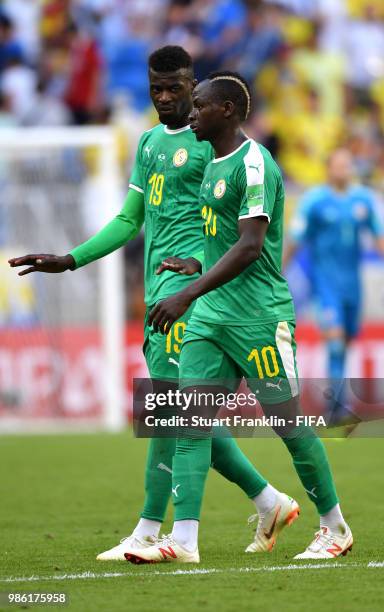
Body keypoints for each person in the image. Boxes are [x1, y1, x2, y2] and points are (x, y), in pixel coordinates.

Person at [9, 47, 298, 561]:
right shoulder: (146, 142)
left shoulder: (214, 140)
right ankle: (267, 500)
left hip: (190, 295)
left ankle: (151, 530)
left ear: (194, 84)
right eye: (156, 89)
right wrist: (70, 259)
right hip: (156, 291)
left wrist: (199, 271)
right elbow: (129, 220)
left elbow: (244, 220)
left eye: (175, 87)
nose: (165, 97)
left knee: (172, 413)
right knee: (177, 414)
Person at [124, 71, 353, 564]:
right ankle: (183, 540)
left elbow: (252, 248)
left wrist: (186, 292)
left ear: (226, 110)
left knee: (288, 425)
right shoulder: (212, 165)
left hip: (257, 317)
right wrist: (197, 266)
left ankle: (334, 527)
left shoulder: (255, 165)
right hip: (211, 316)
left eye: (199, 105)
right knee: (191, 420)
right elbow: (226, 243)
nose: (189, 113)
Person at [285, 148, 384, 425]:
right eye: (339, 165)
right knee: (336, 341)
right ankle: (338, 408)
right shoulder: (315, 201)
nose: (344, 170)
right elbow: (295, 240)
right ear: (328, 169)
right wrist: (278, 271)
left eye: (347, 165)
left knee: (348, 341)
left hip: (353, 286)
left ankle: (339, 399)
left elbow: (378, 238)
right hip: (326, 285)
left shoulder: (362, 199)